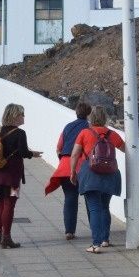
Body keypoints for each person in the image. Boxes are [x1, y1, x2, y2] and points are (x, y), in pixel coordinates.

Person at [71, 105, 125, 254]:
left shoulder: (84, 133)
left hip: (90, 175)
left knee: (94, 208)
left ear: (91, 117)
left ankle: (96, 244)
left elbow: (75, 154)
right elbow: (126, 149)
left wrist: (72, 172)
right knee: (104, 207)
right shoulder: (112, 134)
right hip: (110, 174)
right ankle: (105, 239)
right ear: (105, 118)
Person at [0, 103, 40, 249]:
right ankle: (7, 238)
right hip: (12, 176)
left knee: (0, 203)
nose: (23, 117)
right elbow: (23, 152)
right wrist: (33, 154)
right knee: (10, 204)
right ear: (15, 116)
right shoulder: (20, 133)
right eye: (22, 114)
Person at [45, 101, 91, 240]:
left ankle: (69, 231)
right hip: (84, 167)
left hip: (66, 166)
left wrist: (63, 161)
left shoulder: (68, 127)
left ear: (76, 112)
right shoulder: (90, 128)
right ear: (89, 114)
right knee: (91, 199)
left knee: (70, 198)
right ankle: (96, 229)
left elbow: (59, 148)